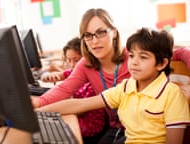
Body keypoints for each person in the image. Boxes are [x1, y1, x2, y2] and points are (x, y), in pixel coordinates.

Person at [31, 8, 190, 144]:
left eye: (101, 32)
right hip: (120, 129)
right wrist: (38, 107)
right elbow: (74, 99)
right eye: (88, 35)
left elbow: (174, 53)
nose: (94, 41)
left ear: (114, 32)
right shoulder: (125, 85)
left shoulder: (137, 57)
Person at [35, 37, 107, 144]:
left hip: (92, 126)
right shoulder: (76, 72)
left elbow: (81, 109)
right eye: (69, 60)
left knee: (56, 129)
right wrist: (48, 74)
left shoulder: (93, 81)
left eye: (76, 60)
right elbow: (62, 77)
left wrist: (50, 107)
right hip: (78, 116)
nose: (73, 64)